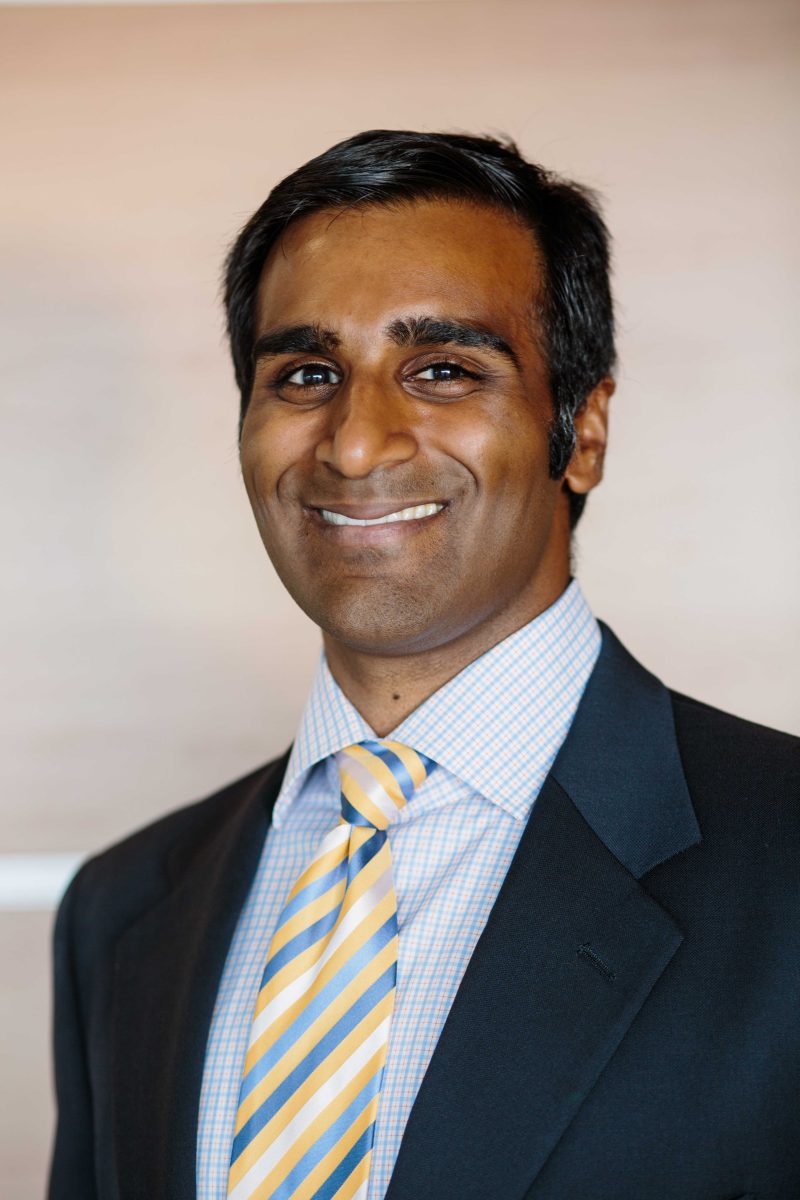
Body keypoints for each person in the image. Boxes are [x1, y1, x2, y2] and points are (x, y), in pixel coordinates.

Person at [48, 130, 799, 1200]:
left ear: (579, 428)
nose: (354, 445)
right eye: (305, 373)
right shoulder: (122, 913)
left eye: (442, 369)